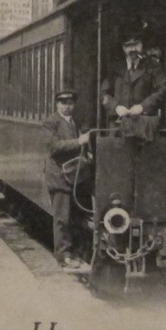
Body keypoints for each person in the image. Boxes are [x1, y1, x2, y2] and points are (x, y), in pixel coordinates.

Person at [42, 89, 91, 269]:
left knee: (74, 217)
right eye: (63, 103)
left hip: (75, 176)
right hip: (59, 177)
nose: (67, 106)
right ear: (57, 104)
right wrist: (79, 142)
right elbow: (54, 147)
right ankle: (63, 255)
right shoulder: (51, 122)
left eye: (70, 103)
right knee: (62, 218)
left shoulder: (75, 122)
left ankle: (75, 253)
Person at [101, 36, 166, 141]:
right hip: (118, 127)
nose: (133, 50)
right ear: (123, 48)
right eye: (128, 46)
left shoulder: (153, 66)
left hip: (144, 126)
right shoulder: (115, 68)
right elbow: (103, 93)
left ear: (141, 45)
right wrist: (116, 107)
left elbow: (161, 90)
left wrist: (142, 106)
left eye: (136, 45)